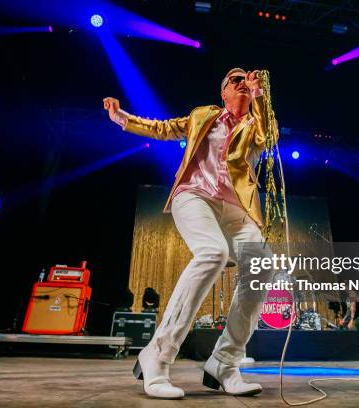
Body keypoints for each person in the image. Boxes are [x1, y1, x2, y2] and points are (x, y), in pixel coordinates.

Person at [104, 68, 278, 399]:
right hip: (195, 196)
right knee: (213, 253)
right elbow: (164, 128)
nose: (242, 82)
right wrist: (123, 117)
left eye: (246, 79)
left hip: (238, 209)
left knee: (261, 267)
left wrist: (260, 94)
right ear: (223, 93)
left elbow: (270, 135)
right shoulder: (205, 116)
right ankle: (157, 355)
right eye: (234, 80)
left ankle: (225, 363)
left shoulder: (256, 125)